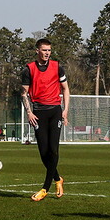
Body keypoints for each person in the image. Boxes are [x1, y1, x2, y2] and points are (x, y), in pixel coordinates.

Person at [22, 38, 70, 201]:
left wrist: (65, 110)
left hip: (55, 112)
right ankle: (57, 178)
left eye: (49, 50)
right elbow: (24, 94)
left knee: (53, 149)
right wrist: (28, 112)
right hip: (38, 113)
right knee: (43, 152)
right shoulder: (28, 69)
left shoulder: (58, 67)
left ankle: (45, 188)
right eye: (44, 50)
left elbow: (65, 89)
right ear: (37, 51)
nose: (47, 53)